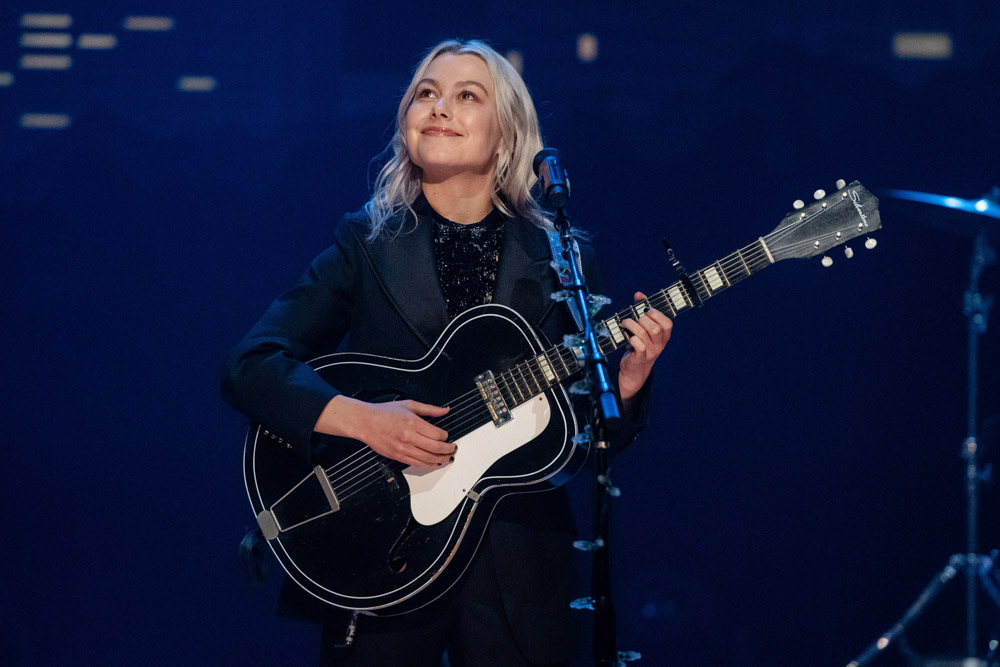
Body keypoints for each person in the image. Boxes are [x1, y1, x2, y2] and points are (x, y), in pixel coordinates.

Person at [221, 39, 671, 666]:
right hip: (384, 552)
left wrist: (628, 382)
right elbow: (250, 366)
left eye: (466, 96)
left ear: (506, 132)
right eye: (426, 93)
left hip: (520, 571)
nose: (439, 108)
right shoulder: (366, 242)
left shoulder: (563, 258)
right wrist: (363, 420)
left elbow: (582, 440)